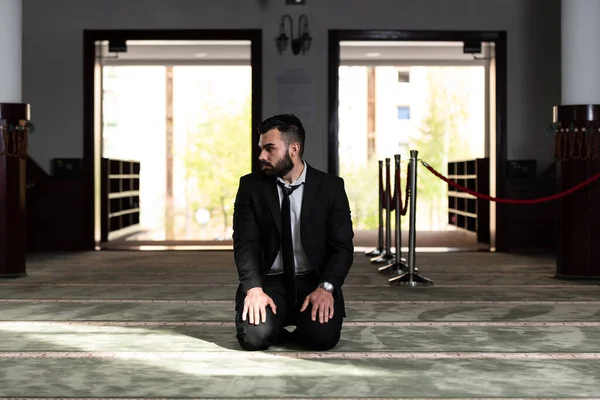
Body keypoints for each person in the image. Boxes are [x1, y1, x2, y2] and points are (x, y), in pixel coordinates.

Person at [232, 114, 354, 351]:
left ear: (293, 149)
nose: (262, 156)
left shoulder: (330, 188)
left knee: (322, 339)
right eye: (261, 149)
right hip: (268, 282)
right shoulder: (250, 187)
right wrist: (253, 289)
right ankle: (275, 326)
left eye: (270, 149)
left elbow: (342, 248)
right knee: (254, 338)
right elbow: (245, 243)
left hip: (313, 282)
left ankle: (299, 326)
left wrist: (327, 287)